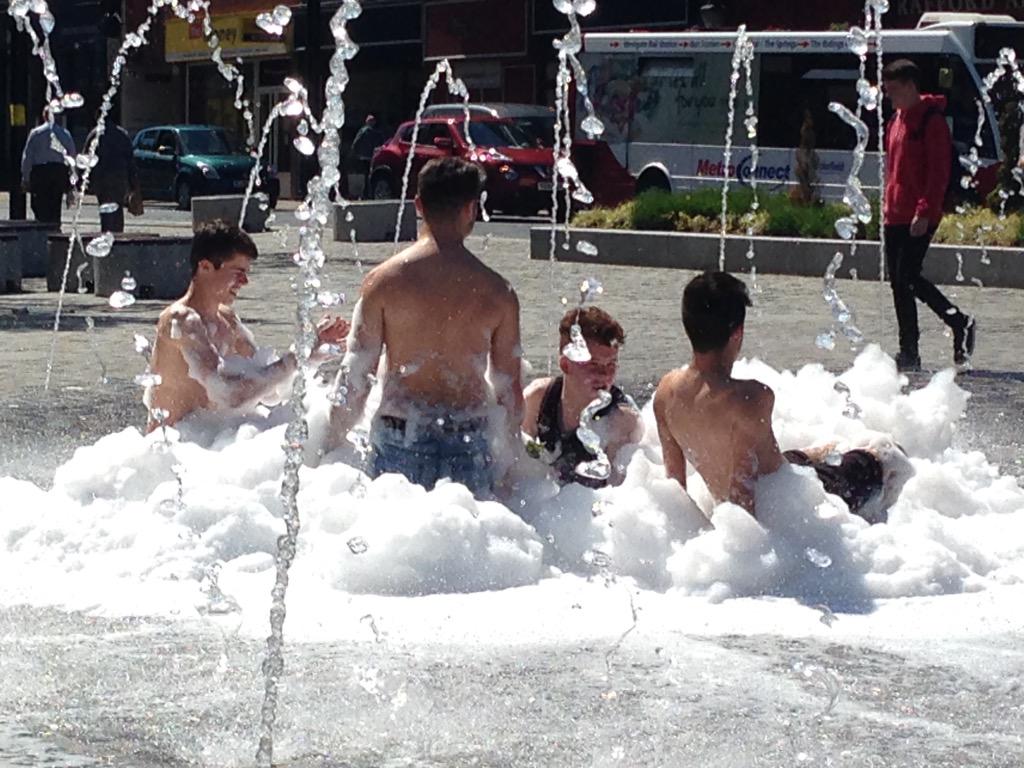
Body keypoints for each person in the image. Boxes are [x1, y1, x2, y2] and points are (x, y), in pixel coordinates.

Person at [327, 157, 523, 497]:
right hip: (469, 437)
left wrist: (329, 445)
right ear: (471, 208)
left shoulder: (383, 282)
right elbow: (510, 392)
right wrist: (512, 463)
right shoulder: (498, 292)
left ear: (418, 204)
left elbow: (356, 375)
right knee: (467, 529)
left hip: (401, 433)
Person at [654, 272, 911, 524]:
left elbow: (674, 491)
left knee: (795, 459)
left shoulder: (666, 392)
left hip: (773, 487)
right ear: (738, 333)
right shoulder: (748, 398)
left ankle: (820, 452)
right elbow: (744, 498)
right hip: (793, 509)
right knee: (887, 458)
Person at [146, 220, 348, 430]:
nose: (245, 281)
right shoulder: (180, 321)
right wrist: (297, 357)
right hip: (172, 445)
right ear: (205, 266)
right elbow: (229, 395)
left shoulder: (227, 320)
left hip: (209, 440)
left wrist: (311, 353)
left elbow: (271, 393)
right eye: (238, 272)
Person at [881, 59, 975, 372]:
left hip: (920, 214)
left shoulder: (931, 120)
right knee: (899, 283)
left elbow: (938, 172)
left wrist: (924, 211)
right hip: (895, 214)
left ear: (910, 86)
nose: (889, 96)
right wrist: (887, 207)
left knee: (908, 277)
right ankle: (909, 349)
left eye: (893, 90)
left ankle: (957, 323)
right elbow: (894, 169)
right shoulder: (895, 120)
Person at [521, 307, 642, 488]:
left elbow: (619, 496)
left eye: (611, 364)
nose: (604, 375)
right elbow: (514, 469)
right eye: (593, 364)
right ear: (566, 365)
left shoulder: (622, 421)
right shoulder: (538, 399)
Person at [20, 109, 75, 224]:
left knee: (39, 205)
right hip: (58, 171)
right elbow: (72, 157)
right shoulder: (65, 134)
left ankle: (42, 227)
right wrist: (71, 182)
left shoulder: (36, 133)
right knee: (55, 205)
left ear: (44, 116)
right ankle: (54, 227)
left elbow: (27, 157)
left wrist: (25, 178)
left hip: (41, 173)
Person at [85, 114, 138, 233]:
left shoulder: (95, 134)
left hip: (102, 180)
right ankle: (117, 234)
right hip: (119, 180)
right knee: (118, 210)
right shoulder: (122, 135)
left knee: (105, 211)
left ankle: (107, 234)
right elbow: (130, 162)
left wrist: (84, 182)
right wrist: (133, 185)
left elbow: (86, 159)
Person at [348, 114, 385, 199]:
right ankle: (367, 193)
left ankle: (365, 193)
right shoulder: (374, 132)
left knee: (365, 174)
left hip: (363, 156)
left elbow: (356, 141)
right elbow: (380, 142)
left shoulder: (363, 131)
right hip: (369, 156)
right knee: (368, 174)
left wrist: (354, 150)